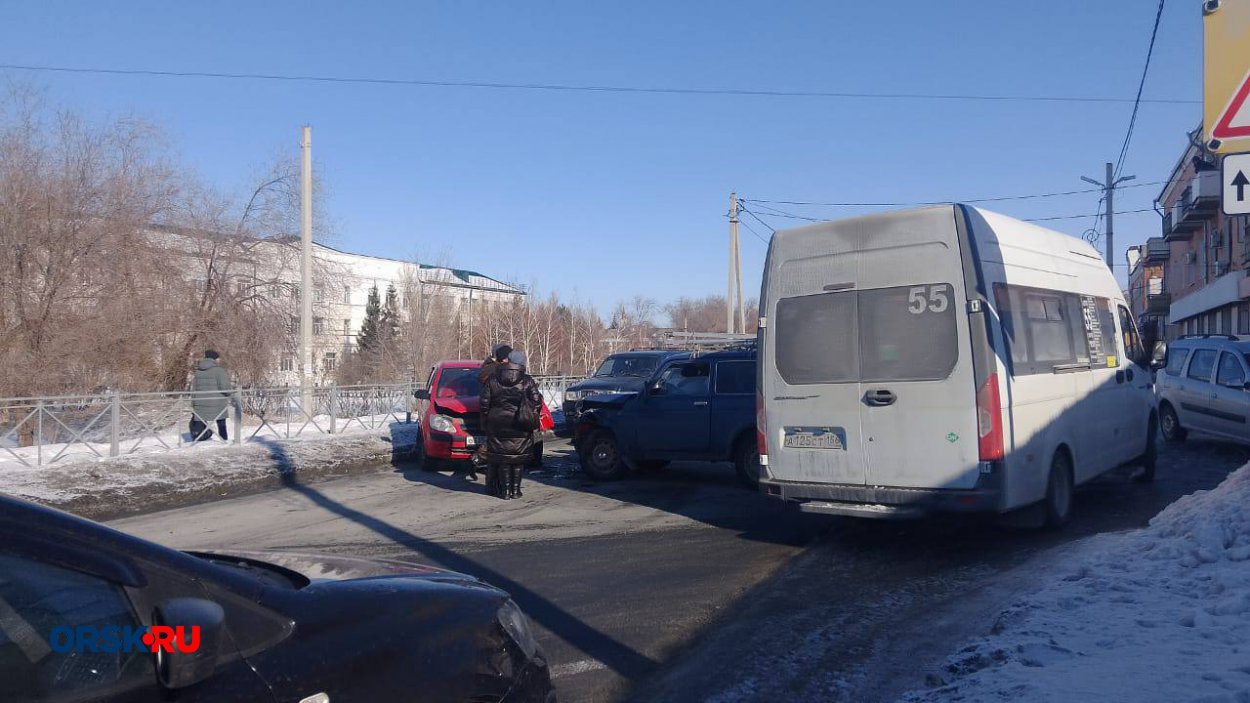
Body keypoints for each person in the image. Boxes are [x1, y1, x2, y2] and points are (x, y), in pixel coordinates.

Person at [479, 349, 542, 499]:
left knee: (503, 458)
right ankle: (516, 491)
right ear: (521, 363)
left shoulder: (493, 379)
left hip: (497, 423)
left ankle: (505, 491)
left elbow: (484, 403)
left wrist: (488, 418)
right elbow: (536, 401)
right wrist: (529, 413)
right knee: (518, 458)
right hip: (520, 422)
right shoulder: (527, 380)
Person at [472, 343, 512, 485]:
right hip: (495, 415)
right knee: (496, 448)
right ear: (503, 358)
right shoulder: (492, 371)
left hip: (497, 414)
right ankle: (493, 481)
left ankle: (497, 482)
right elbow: (489, 396)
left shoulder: (493, 369)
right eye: (508, 357)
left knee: (497, 447)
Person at [190, 350, 234, 442]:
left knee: (200, 421)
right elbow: (225, 388)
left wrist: (194, 403)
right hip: (217, 403)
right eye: (218, 358)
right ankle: (223, 440)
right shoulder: (219, 371)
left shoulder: (198, 371)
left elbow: (193, 389)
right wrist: (232, 393)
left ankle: (198, 439)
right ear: (215, 359)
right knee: (221, 422)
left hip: (201, 404)